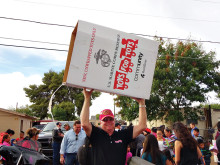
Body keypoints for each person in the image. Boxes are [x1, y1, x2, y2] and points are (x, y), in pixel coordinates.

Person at [80, 88, 147, 165]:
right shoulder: (96, 134)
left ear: (114, 121)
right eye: (105, 120)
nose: (108, 121)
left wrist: (142, 103)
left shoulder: (123, 135)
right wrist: (87, 98)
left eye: (110, 119)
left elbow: (142, 126)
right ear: (100, 123)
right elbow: (84, 123)